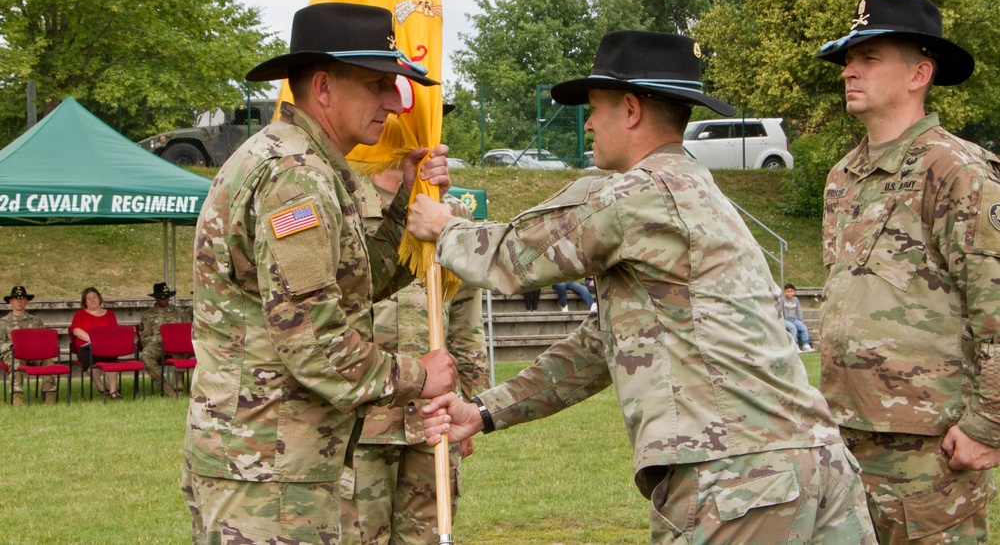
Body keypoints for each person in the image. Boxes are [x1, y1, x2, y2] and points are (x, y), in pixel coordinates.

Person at [409, 30, 876, 543]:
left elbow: (516, 259)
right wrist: (484, 411)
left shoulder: (640, 193)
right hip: (816, 466)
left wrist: (443, 225)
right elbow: (601, 347)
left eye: (595, 107)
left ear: (630, 109)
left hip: (738, 481)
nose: (588, 123)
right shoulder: (698, 191)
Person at [181, 2, 458, 545]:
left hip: (273, 461)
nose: (394, 103)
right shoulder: (295, 176)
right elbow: (313, 341)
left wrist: (407, 201)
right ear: (325, 88)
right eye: (378, 84)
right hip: (268, 470)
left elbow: (358, 285)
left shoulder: (314, 166)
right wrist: (417, 376)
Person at [816, 0, 1000, 543]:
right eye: (848, 59)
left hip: (931, 446)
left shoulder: (957, 170)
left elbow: (996, 306)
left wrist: (988, 424)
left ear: (920, 73)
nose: (849, 70)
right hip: (845, 433)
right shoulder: (843, 176)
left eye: (869, 58)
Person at [340, 157, 490, 545]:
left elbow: (465, 321)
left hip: (433, 419)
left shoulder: (450, 215)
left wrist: (473, 402)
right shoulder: (349, 204)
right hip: (365, 417)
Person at [0, 285, 55, 405]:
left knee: (48, 360)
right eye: (16, 299)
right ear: (10, 301)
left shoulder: (36, 321)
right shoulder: (3, 322)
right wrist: (12, 347)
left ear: (26, 301)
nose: (19, 301)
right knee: (16, 361)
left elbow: (43, 340)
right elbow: (0, 343)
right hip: (14, 354)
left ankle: (49, 394)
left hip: (34, 354)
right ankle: (17, 396)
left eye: (22, 299)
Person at [136, 281, 190, 396]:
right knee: (145, 356)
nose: (164, 300)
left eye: (167, 297)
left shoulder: (180, 312)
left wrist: (174, 339)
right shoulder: (148, 315)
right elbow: (144, 339)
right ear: (155, 298)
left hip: (177, 345)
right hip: (158, 345)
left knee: (182, 346)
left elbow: (188, 331)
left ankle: (178, 381)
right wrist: (161, 338)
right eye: (161, 297)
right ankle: (164, 386)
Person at [68, 286, 121, 399]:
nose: (92, 300)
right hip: (87, 347)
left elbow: (114, 331)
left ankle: (113, 391)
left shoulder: (110, 314)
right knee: (88, 358)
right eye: (88, 298)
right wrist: (95, 340)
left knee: (112, 358)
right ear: (85, 302)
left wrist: (104, 343)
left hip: (106, 347)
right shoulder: (80, 314)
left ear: (100, 298)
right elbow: (76, 330)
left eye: (94, 297)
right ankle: (100, 386)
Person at [777, 283, 812, 353]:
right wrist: (782, 321)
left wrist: (801, 321)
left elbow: (799, 310)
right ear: (784, 292)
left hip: (793, 319)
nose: (789, 293)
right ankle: (795, 346)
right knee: (793, 328)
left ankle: (806, 344)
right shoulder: (782, 300)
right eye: (788, 291)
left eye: (791, 291)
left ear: (794, 292)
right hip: (785, 320)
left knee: (803, 327)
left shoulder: (796, 299)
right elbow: (780, 311)